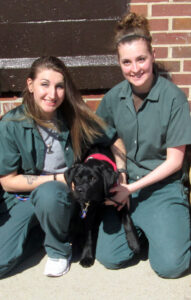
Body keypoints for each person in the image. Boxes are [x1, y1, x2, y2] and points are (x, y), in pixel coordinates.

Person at [0, 56, 120, 278]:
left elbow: (113, 139)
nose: (52, 94)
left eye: (59, 86)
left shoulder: (76, 117)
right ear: (30, 85)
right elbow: (7, 181)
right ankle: (40, 235)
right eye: (44, 84)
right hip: (23, 199)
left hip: (64, 198)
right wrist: (58, 178)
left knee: (49, 194)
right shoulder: (10, 124)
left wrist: (120, 175)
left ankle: (58, 252)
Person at [96, 12, 191, 278]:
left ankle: (166, 228)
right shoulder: (113, 98)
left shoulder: (174, 99)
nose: (135, 68)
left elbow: (175, 161)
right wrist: (121, 177)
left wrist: (131, 188)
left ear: (152, 56)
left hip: (162, 188)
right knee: (109, 257)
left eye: (141, 59)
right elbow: (106, 141)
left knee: (172, 266)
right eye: (126, 62)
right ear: (119, 62)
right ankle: (152, 231)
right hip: (125, 185)